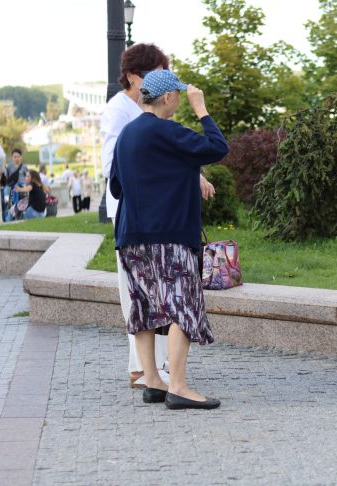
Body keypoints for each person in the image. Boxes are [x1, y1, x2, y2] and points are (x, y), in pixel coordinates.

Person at [110, 69, 229, 409]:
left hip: (131, 236)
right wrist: (202, 109)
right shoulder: (167, 131)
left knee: (145, 307)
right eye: (178, 94)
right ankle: (178, 386)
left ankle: (153, 381)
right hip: (169, 235)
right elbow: (217, 147)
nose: (180, 98)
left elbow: (117, 187)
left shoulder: (127, 135)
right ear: (167, 97)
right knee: (182, 306)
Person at [3, 148, 28, 221]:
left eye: (18, 156)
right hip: (12, 187)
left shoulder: (24, 166)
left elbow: (28, 178)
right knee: (7, 194)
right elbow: (6, 178)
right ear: (12, 157)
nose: (17, 158)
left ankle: (20, 214)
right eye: (15, 157)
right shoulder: (9, 166)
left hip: (22, 186)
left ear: (21, 157)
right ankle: (9, 216)